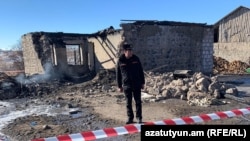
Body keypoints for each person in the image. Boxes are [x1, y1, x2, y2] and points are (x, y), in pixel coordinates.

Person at [116, 43, 145, 124]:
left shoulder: (136, 59)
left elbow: (140, 71)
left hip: (136, 83)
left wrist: (142, 83)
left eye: (131, 51)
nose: (131, 52)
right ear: (124, 52)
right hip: (126, 85)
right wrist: (119, 86)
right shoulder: (120, 60)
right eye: (129, 51)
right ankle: (130, 118)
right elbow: (118, 74)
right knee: (128, 102)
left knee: (138, 101)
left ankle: (139, 117)